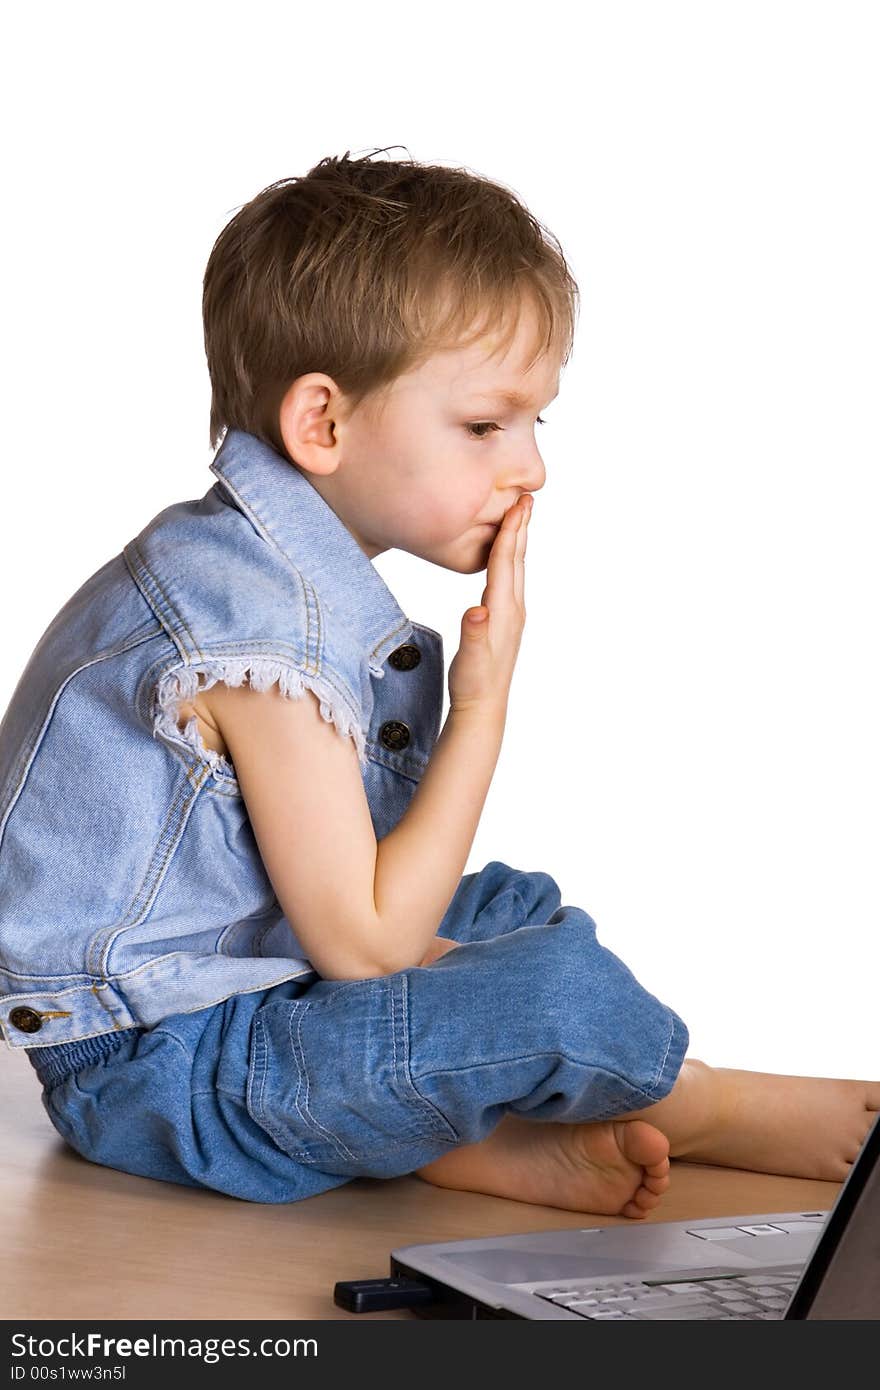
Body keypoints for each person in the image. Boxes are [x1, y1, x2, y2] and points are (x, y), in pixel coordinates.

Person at [1, 150, 876, 1215]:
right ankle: (703, 1105)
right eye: (482, 426)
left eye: (533, 423)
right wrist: (485, 702)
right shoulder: (259, 637)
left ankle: (453, 1138)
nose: (531, 467)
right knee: (552, 994)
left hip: (249, 984)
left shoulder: (251, 567)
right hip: (163, 1072)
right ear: (321, 423)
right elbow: (365, 946)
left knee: (512, 906)